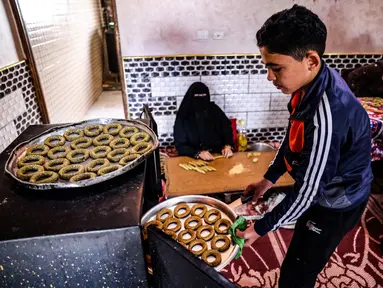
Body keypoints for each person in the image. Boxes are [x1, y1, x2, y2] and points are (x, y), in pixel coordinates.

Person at [236, 5, 373, 288]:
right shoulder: (309, 83)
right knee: (300, 246)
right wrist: (268, 180)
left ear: (311, 60)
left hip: (338, 200)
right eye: (267, 67)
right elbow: (293, 137)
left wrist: (260, 227)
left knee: (299, 270)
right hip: (321, 187)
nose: (269, 77)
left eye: (276, 68)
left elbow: (310, 190)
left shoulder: (327, 115)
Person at [174, 82, 234, 161]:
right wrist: (198, 153)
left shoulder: (214, 110)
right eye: (197, 96)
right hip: (192, 159)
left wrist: (228, 145)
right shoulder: (183, 116)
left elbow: (227, 128)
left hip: (218, 156)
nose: (201, 99)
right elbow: (180, 146)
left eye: (203, 95)